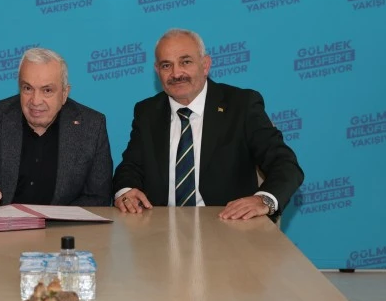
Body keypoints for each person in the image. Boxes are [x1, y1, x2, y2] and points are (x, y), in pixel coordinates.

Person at [113, 28, 303, 220]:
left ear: (205, 65)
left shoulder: (242, 105)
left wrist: (264, 200)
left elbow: (284, 164)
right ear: (157, 71)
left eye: (185, 62)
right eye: (166, 65)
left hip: (229, 223)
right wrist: (126, 191)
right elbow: (130, 166)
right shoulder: (147, 112)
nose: (176, 73)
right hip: (161, 226)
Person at [0, 48, 113, 209]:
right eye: (28, 88)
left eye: (47, 90)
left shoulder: (91, 126)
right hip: (2, 225)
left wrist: (54, 219)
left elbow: (98, 198)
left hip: (60, 225)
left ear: (64, 93)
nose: (35, 101)